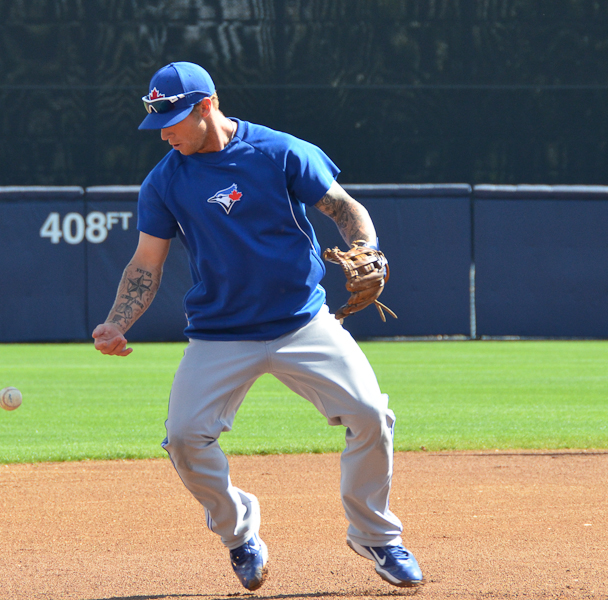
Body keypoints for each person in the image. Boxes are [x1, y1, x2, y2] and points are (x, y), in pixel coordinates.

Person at [92, 61, 423, 591]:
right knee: (183, 439)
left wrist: (368, 249)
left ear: (207, 106)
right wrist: (116, 321)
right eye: (158, 124)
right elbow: (145, 263)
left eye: (173, 120)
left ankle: (376, 536)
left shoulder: (280, 151)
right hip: (220, 333)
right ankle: (240, 533)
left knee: (370, 415)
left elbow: (344, 208)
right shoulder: (164, 181)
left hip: (302, 321)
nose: (165, 134)